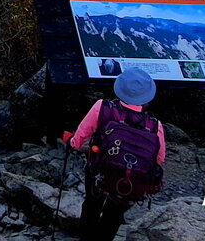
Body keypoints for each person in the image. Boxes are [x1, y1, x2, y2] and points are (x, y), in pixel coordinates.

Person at [68, 68, 166, 241]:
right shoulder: (154, 125)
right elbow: (159, 158)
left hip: (99, 169)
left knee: (92, 205)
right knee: (113, 216)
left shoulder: (103, 107)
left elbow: (79, 139)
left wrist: (70, 141)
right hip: (130, 180)